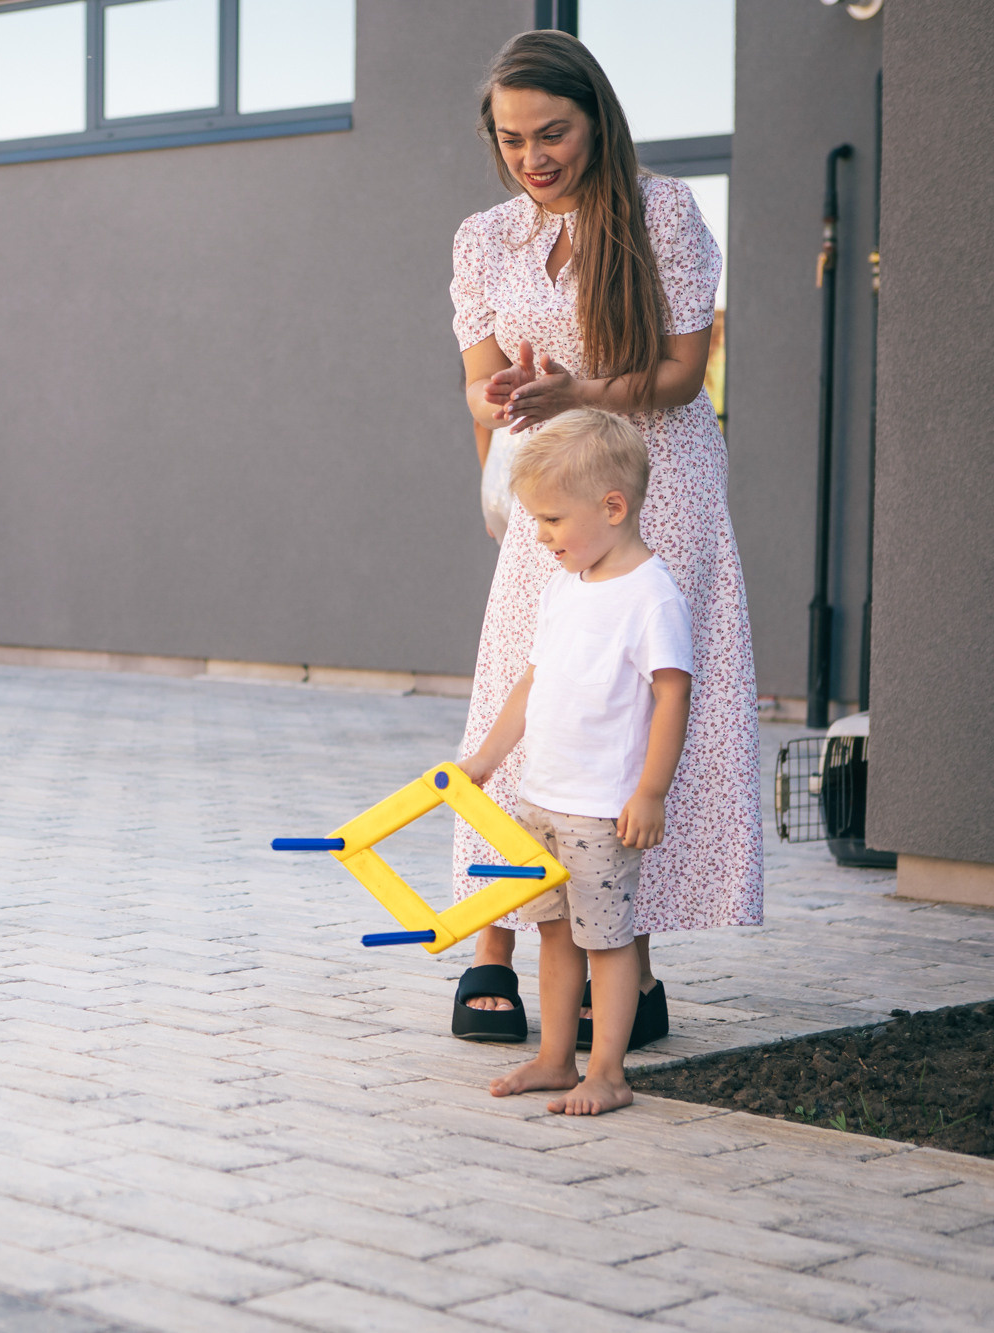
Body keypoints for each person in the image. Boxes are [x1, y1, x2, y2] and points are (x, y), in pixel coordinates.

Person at [446, 30, 762, 1043]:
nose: (531, 158)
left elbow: (677, 375)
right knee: (521, 695)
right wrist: (499, 432)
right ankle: (490, 947)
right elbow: (475, 386)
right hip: (547, 493)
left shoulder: (663, 212)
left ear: (596, 120)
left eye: (552, 133)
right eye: (510, 140)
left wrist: (576, 391)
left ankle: (625, 955)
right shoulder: (481, 238)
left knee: (627, 707)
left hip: (652, 488)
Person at [460, 410, 691, 1114]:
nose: (540, 534)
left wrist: (650, 791)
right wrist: (486, 759)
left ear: (612, 507)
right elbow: (533, 680)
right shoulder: (566, 585)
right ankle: (558, 1059)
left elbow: (673, 694)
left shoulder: (652, 596)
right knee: (555, 935)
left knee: (607, 944)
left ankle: (609, 1073)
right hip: (542, 798)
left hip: (599, 808)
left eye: (553, 519)